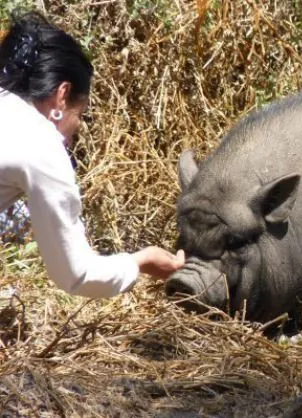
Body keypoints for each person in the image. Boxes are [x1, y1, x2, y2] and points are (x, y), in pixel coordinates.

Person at [0, 10, 184, 298]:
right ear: (62, 95)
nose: (74, 133)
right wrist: (140, 261)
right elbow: (78, 274)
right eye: (81, 114)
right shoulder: (40, 143)